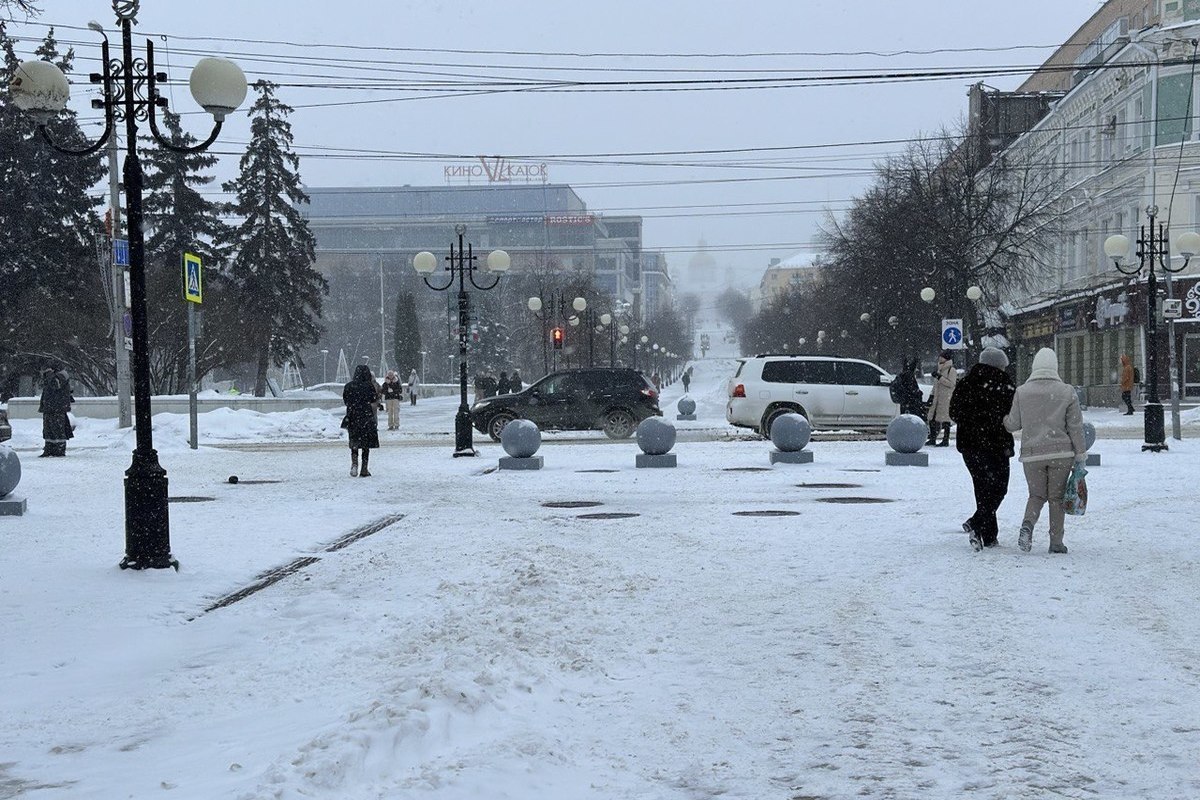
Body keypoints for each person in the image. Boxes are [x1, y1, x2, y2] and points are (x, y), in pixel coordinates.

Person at [1003, 347, 1086, 554]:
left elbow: (1013, 424)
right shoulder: (1067, 391)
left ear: (1034, 367)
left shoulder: (1022, 392)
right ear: (1055, 367)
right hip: (1061, 454)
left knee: (1036, 495)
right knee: (1056, 499)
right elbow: (1075, 427)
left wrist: (1003, 419)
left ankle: (1028, 525)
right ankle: (1056, 542)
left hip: (1032, 455)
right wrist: (1081, 454)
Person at [949, 347, 1016, 550]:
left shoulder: (966, 383)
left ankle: (983, 529)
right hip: (997, 444)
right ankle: (982, 529)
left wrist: (971, 421)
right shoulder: (1005, 385)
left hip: (970, 445)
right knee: (999, 488)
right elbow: (1012, 416)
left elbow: (953, 412)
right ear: (997, 365)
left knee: (983, 488)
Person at [342, 364, 380, 477]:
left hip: (353, 417)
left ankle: (354, 464)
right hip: (366, 417)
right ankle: (364, 468)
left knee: (354, 442)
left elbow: (346, 400)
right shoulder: (369, 386)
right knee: (365, 444)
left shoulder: (349, 386)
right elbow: (373, 399)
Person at [38, 363, 73, 457]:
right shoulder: (53, 377)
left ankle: (59, 449)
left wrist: (49, 374)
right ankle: (49, 449)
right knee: (48, 429)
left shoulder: (62, 376)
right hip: (50, 408)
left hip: (57, 408)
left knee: (57, 429)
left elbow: (55, 384)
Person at [925, 350, 957, 446]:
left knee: (945, 419)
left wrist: (940, 377)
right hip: (936, 398)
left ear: (946, 358)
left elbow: (951, 384)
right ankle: (933, 438)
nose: (940, 358)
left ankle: (945, 440)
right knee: (932, 418)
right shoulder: (939, 370)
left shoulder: (951, 370)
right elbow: (936, 386)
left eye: (942, 357)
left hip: (945, 398)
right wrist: (931, 395)